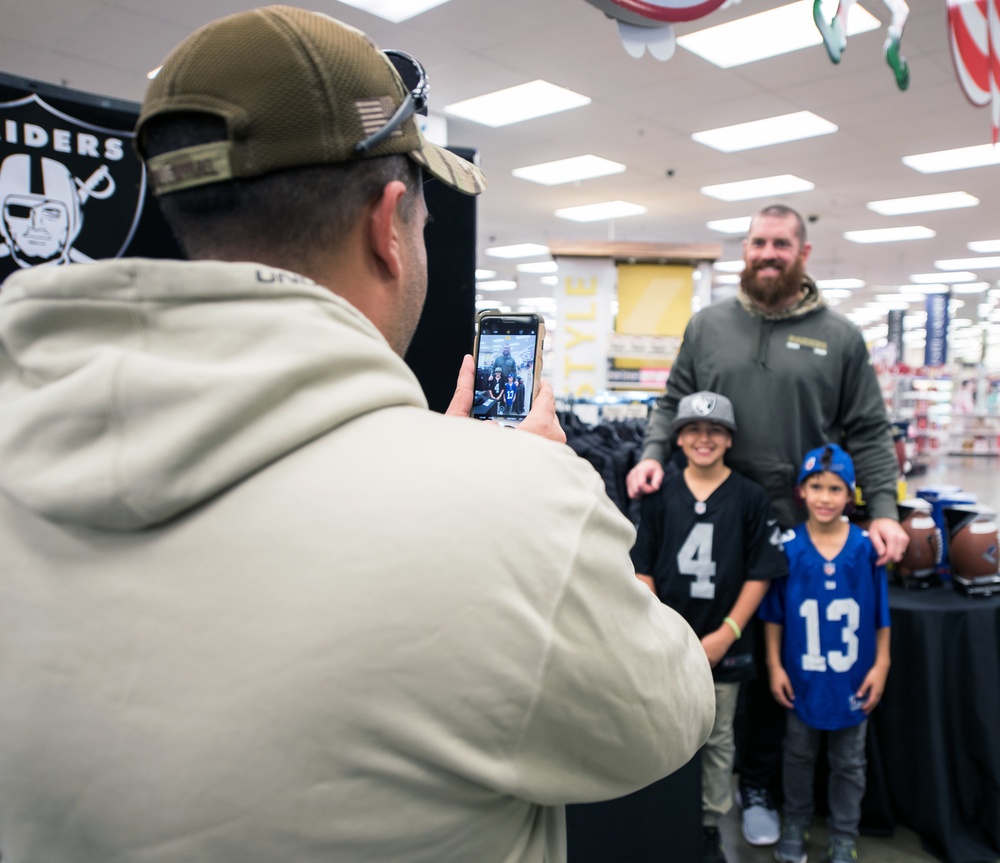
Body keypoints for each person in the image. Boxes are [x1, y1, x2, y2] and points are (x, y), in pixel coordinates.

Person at [0, 7, 716, 863]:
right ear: (388, 226)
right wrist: (531, 504)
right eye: (422, 220)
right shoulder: (512, 508)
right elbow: (668, 709)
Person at [626, 203, 908, 847]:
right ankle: (709, 785)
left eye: (781, 243)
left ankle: (764, 785)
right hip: (719, 518)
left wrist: (886, 512)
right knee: (722, 659)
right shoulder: (709, 326)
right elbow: (672, 402)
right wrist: (649, 456)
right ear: (744, 251)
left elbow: (866, 430)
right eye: (758, 242)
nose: (768, 253)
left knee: (782, 664)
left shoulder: (839, 336)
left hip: (802, 533)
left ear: (803, 253)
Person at [631, 391, 788, 863]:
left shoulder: (749, 497)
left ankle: (708, 824)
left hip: (725, 647)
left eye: (715, 430)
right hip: (669, 640)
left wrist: (728, 633)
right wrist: (661, 627)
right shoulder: (660, 495)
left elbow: (761, 571)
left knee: (718, 738)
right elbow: (643, 567)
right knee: (663, 729)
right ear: (677, 437)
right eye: (694, 430)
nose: (704, 438)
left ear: (729, 439)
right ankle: (664, 815)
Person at [760, 444, 891, 863]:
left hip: (852, 676)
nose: (825, 497)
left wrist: (882, 663)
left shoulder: (867, 548)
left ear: (849, 495)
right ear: (802, 490)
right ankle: (796, 820)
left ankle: (844, 834)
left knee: (850, 762)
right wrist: (774, 663)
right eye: (816, 486)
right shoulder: (789, 547)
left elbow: (881, 614)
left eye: (835, 488)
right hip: (803, 676)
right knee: (798, 755)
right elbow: (775, 615)